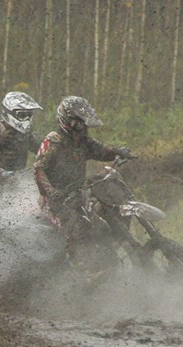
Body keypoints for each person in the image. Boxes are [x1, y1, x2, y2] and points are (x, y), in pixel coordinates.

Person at [33, 95, 131, 261]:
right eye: (78, 123)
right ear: (66, 120)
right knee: (80, 230)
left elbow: (102, 151)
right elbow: (39, 170)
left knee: (102, 228)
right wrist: (50, 191)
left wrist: (118, 151)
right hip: (55, 203)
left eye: (84, 123)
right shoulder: (53, 141)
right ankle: (78, 272)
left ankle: (103, 266)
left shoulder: (83, 141)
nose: (83, 127)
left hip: (77, 197)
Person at [0, 91, 43, 188]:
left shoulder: (25, 134)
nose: (27, 118)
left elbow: (43, 150)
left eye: (29, 114)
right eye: (22, 115)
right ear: (9, 112)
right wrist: (3, 174)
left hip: (18, 183)